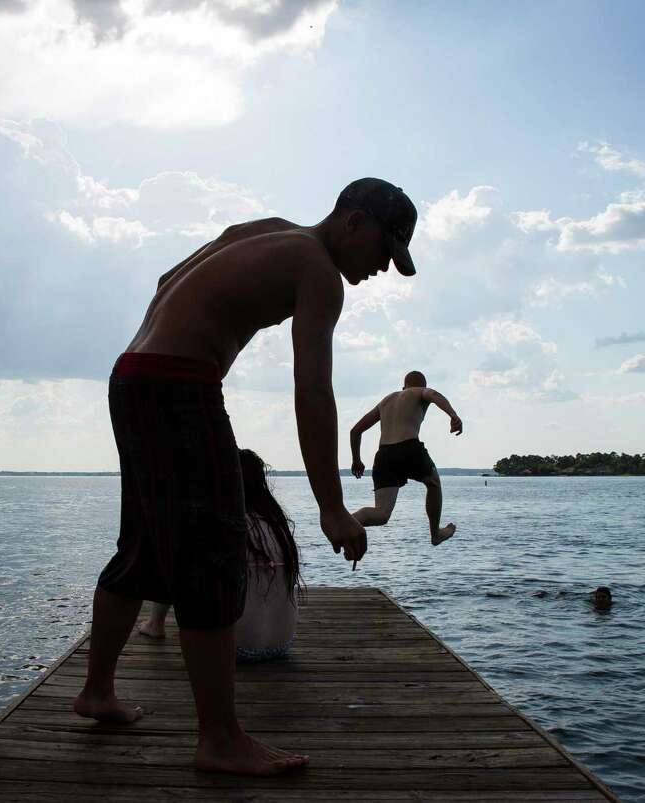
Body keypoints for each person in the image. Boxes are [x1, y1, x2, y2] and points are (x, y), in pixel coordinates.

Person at [73, 178, 419, 776]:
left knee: (142, 544)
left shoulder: (267, 231)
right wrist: (332, 506)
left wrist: (190, 331)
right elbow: (312, 391)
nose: (383, 268)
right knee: (212, 551)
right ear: (354, 222)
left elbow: (165, 281)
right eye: (385, 251)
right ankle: (220, 739)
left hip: (132, 374)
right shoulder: (319, 271)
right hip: (179, 383)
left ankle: (97, 690)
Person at [137, 448, 301, 662]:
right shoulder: (277, 525)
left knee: (174, 557)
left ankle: (155, 624)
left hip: (233, 648)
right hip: (281, 645)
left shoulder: (221, 523)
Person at [348, 370, 462, 546]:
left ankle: (344, 523)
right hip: (409, 448)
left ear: (403, 386)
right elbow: (434, 394)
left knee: (382, 513)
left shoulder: (386, 401)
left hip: (384, 454)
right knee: (433, 483)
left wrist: (356, 460)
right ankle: (435, 534)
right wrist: (453, 415)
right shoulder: (419, 392)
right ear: (422, 386)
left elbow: (355, 431)